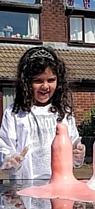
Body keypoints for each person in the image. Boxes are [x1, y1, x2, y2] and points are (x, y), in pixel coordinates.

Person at [0, 46, 85, 179]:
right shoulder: (14, 113)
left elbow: (74, 150)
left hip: (59, 186)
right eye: (38, 81)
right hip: (26, 186)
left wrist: (77, 155)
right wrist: (10, 160)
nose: (45, 86)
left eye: (51, 80)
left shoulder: (64, 112)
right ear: (26, 83)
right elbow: (5, 147)